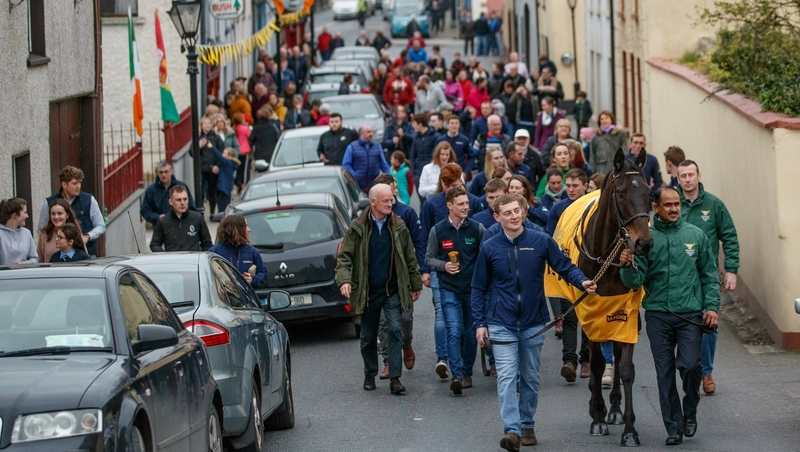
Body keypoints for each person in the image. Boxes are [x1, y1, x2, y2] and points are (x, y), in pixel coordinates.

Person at [472, 194, 596, 451]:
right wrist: (480, 323)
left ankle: (527, 423)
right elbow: (478, 287)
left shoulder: (541, 241)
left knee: (529, 377)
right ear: (497, 217)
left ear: (523, 212)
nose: (514, 216)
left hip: (534, 322)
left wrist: (582, 281)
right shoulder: (490, 246)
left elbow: (564, 266)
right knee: (506, 377)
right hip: (501, 322)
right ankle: (512, 431)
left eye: (517, 211)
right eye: (507, 213)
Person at [619, 187, 719, 446]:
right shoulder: (647, 239)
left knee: (691, 366)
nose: (674, 209)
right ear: (656, 207)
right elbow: (635, 280)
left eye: (677, 204)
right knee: (664, 373)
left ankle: (690, 409)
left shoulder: (695, 236)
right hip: (658, 316)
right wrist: (627, 264)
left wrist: (712, 307)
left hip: (690, 315)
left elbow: (709, 275)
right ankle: (673, 426)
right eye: (668, 205)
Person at [336, 184, 423, 395]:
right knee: (367, 337)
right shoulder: (358, 228)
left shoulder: (399, 226)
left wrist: (415, 283)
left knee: (395, 329)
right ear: (373, 202)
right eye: (385, 200)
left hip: (392, 290)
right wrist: (345, 281)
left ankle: (395, 378)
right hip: (368, 292)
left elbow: (409, 257)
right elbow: (344, 258)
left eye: (391, 199)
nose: (390, 203)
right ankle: (369, 373)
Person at [676, 160, 739, 395]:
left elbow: (729, 236)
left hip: (706, 275)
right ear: (678, 179)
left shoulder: (714, 205)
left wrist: (731, 269)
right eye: (683, 176)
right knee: (682, 324)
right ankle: (687, 369)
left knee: (709, 322)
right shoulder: (672, 205)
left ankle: (706, 372)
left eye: (691, 174)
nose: (688, 179)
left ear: (699, 175)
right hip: (679, 278)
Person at [425, 186, 485, 394]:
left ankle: (467, 372)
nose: (466, 207)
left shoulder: (477, 229)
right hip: (448, 288)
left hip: (472, 289)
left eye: (467, 203)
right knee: (454, 329)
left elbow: (486, 256)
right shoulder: (438, 230)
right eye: (461, 204)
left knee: (470, 333)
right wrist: (444, 266)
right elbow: (429, 258)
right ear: (449, 206)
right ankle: (457, 375)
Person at [372, 174, 424, 378]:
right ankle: (388, 362)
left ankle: (406, 343)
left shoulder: (407, 213)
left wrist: (417, 275)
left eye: (392, 189)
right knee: (384, 322)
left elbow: (418, 243)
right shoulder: (369, 217)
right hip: (380, 281)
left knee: (404, 318)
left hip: (402, 278)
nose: (390, 194)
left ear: (395, 190)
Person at [545, 168, 591, 380]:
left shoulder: (592, 206)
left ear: (585, 185)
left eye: (575, 186)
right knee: (570, 317)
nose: (571, 190)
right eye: (568, 186)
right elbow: (551, 238)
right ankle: (569, 361)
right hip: (566, 268)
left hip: (589, 270)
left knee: (588, 317)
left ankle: (587, 359)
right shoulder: (559, 209)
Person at [40, 166, 105, 257]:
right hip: (57, 254)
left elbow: (100, 225)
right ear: (64, 184)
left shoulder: (88, 200)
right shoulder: (50, 202)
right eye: (74, 183)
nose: (78, 186)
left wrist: (87, 236)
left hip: (86, 253)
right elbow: (42, 228)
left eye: (80, 183)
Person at [209, 216, 267, 288]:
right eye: (245, 226)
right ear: (236, 229)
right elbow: (208, 277)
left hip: (246, 298)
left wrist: (252, 280)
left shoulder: (252, 252)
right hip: (223, 298)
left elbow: (262, 273)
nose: (249, 230)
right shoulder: (214, 252)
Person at [150, 186, 213, 252]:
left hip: (192, 260)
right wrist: (166, 256)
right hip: (173, 260)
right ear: (170, 202)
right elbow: (154, 244)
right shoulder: (163, 221)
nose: (182, 203)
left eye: (185, 199)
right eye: (178, 200)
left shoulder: (197, 218)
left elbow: (207, 244)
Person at [141, 162, 196, 226]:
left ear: (171, 171)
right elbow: (145, 210)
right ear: (157, 174)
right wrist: (158, 217)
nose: (163, 175)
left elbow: (191, 207)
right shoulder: (151, 190)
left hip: (181, 225)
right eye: (161, 172)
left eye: (166, 172)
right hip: (160, 227)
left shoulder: (181, 186)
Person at [342, 125, 390, 192]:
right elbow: (346, 164)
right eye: (368, 132)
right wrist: (354, 176)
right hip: (358, 186)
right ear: (361, 133)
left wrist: (388, 178)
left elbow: (383, 164)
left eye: (371, 132)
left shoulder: (377, 146)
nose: (371, 134)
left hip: (374, 185)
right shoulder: (352, 147)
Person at [408, 114, 440, 197]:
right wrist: (413, 173)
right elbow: (412, 155)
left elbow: (435, 154)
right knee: (421, 198)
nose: (413, 126)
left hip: (431, 171)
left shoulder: (435, 136)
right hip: (418, 172)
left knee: (432, 197)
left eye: (414, 123)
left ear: (420, 124)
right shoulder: (415, 137)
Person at [0, 198, 37, 264]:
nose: (27, 216)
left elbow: (35, 259)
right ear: (15, 215)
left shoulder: (27, 233)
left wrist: (22, 264)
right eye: (25, 212)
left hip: (23, 273)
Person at [626, 133, 662, 201]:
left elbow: (658, 181)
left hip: (645, 200)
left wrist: (650, 196)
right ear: (630, 144)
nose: (638, 145)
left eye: (641, 143)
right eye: (635, 142)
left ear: (645, 145)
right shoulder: (624, 159)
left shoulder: (652, 160)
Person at [590, 110, 627, 175]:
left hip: (616, 168)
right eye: (602, 119)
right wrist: (593, 170)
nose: (604, 120)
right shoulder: (596, 137)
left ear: (611, 119)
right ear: (599, 122)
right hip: (601, 169)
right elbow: (592, 155)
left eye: (606, 118)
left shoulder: (619, 134)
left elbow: (624, 150)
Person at [212, 147, 241, 214]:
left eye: (224, 153)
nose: (222, 154)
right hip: (227, 187)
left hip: (223, 187)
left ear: (229, 156)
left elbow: (219, 156)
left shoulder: (227, 162)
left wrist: (212, 147)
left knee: (222, 206)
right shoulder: (231, 164)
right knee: (225, 205)